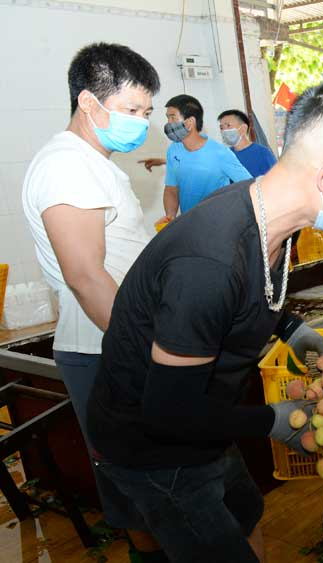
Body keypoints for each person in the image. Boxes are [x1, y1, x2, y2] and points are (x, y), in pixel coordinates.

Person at [86, 83, 323, 561]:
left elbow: (249, 294)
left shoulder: (270, 218)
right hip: (155, 448)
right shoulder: (208, 261)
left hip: (206, 424)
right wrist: (273, 420)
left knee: (245, 514)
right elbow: (167, 411)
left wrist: (289, 329)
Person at [22, 42, 166, 562]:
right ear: (89, 101)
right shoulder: (67, 167)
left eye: (147, 112)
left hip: (116, 343)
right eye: (132, 110)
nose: (141, 122)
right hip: (108, 350)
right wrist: (153, 353)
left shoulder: (94, 163)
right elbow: (86, 277)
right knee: (146, 487)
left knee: (150, 485)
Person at [160, 94, 252, 221]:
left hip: (218, 224)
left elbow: (250, 186)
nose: (168, 123)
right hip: (189, 223)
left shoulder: (220, 153)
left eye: (173, 117)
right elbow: (171, 189)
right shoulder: (173, 150)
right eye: (167, 118)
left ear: (190, 123)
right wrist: (170, 216)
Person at [218, 109, 277, 177]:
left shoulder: (262, 153)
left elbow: (275, 180)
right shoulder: (226, 154)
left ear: (243, 128)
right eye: (221, 128)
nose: (224, 131)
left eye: (228, 125)